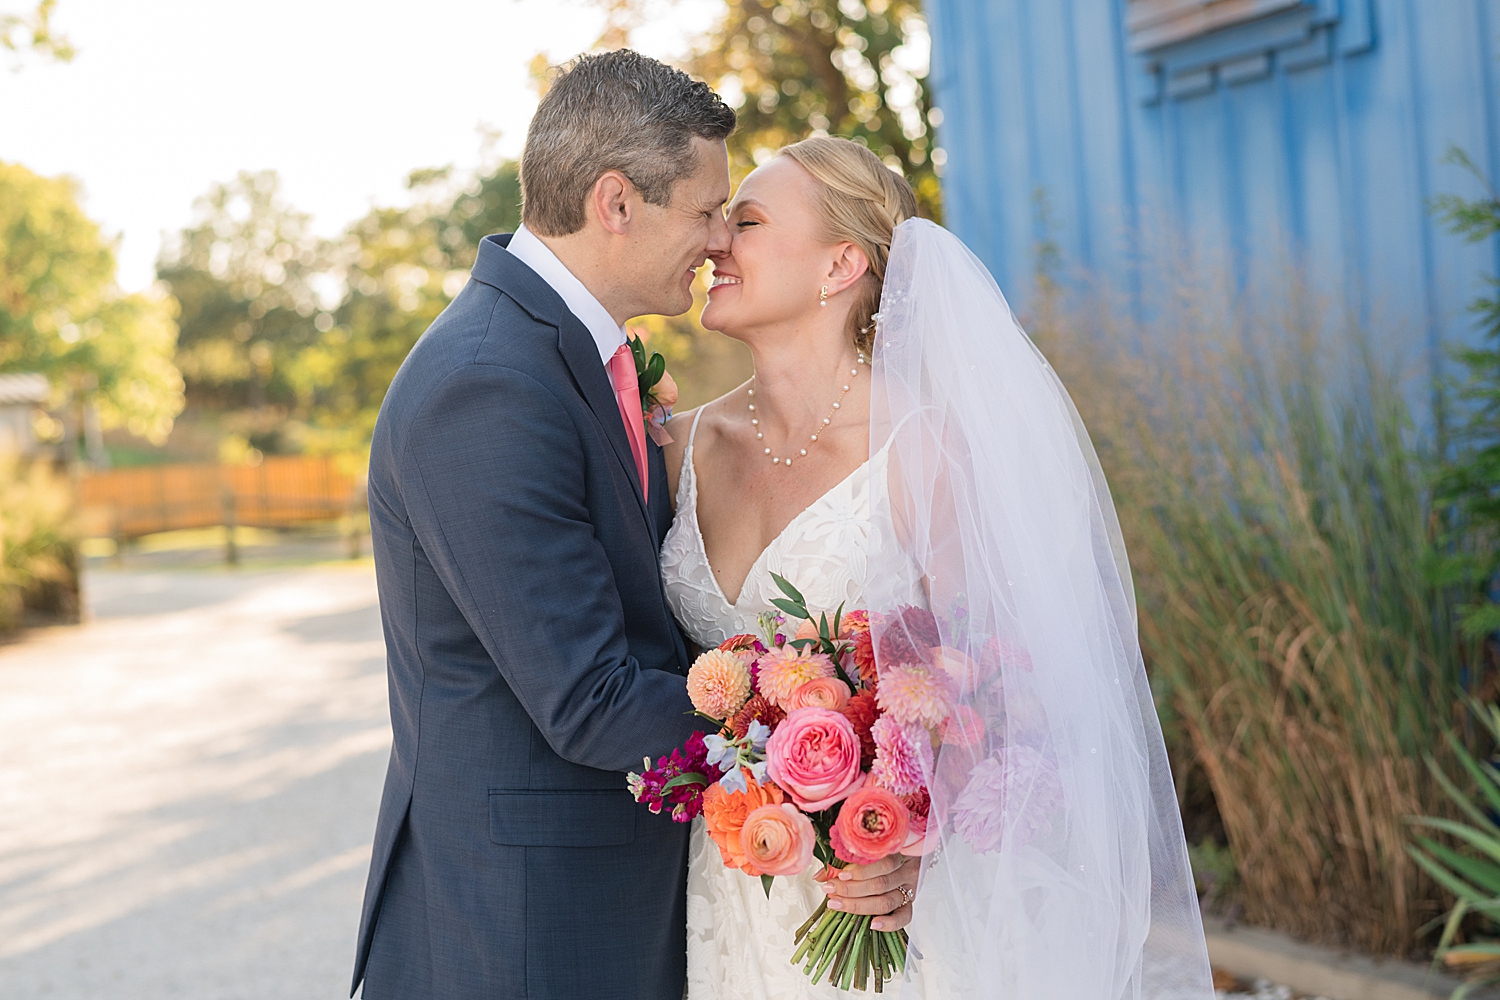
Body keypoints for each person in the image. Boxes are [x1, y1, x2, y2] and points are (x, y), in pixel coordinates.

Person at [351, 53, 904, 1000]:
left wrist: (884, 792)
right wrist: (824, 744)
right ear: (616, 203)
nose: (718, 237)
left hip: (679, 887)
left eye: (740, 215)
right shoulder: (489, 384)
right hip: (527, 924)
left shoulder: (587, 373)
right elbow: (589, 698)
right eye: (705, 209)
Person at [662, 137, 1216, 999]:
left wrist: (922, 853)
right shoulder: (678, 446)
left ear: (841, 262)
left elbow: (1017, 709)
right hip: (723, 888)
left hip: (879, 914)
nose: (715, 245)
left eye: (749, 221)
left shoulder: (925, 453)